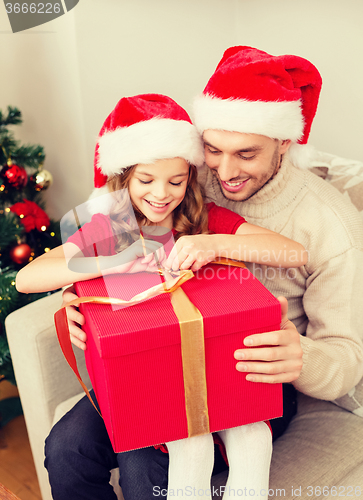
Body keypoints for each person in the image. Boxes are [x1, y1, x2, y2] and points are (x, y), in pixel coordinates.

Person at [16, 93, 307, 500]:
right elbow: (27, 279)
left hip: (211, 367)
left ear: (190, 177)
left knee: (164, 458)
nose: (161, 194)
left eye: (176, 181)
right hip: (139, 367)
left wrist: (212, 243)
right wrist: (105, 269)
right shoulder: (109, 227)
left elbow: (293, 253)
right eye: (146, 181)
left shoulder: (205, 218)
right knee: (66, 448)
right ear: (124, 178)